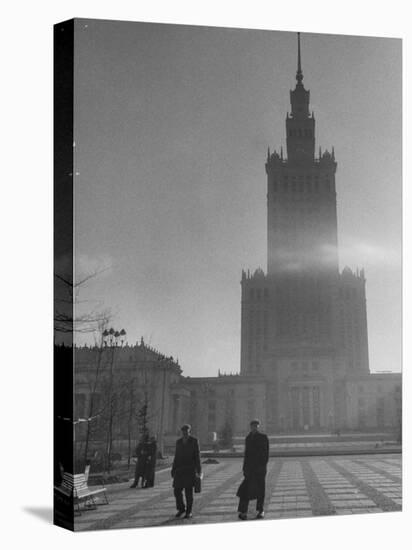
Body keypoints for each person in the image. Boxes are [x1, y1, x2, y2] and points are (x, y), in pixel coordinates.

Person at [237, 419, 269, 520]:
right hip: (249, 469)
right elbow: (246, 455)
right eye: (253, 426)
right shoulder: (248, 438)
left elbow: (265, 454)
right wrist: (244, 468)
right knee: (244, 490)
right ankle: (243, 511)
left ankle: (260, 510)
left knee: (260, 490)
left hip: (259, 469)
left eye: (256, 426)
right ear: (250, 427)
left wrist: (262, 466)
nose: (254, 428)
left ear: (258, 427)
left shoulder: (263, 437)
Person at [171, 424, 201, 519]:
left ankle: (189, 511)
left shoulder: (194, 441)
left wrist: (199, 471)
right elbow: (176, 456)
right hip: (179, 470)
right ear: (182, 432)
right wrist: (173, 469)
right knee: (176, 491)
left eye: (186, 432)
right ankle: (181, 509)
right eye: (183, 432)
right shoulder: (178, 442)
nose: (185, 433)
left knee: (188, 492)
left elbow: (197, 457)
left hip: (190, 470)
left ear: (189, 432)